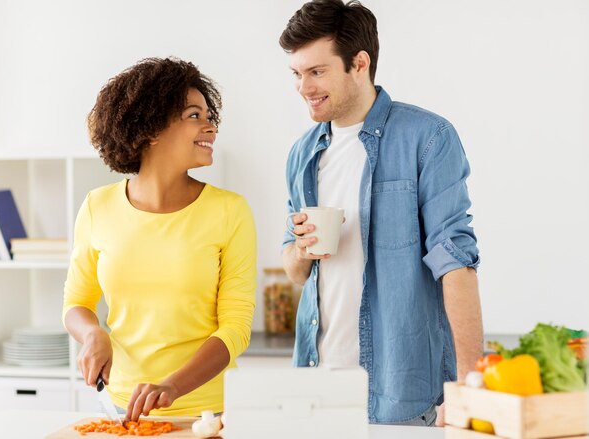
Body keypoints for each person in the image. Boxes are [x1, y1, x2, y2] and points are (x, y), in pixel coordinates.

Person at [279, 0, 483, 426]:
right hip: (317, 388)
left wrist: (469, 385)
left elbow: (455, 262)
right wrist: (300, 250)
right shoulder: (303, 154)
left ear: (359, 63)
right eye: (297, 74)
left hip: (403, 393)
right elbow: (296, 273)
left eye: (317, 72)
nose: (303, 87)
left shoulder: (427, 138)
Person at [63, 57, 256, 421]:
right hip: (120, 410)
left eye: (209, 116)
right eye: (194, 115)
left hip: (208, 414)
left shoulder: (229, 211)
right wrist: (92, 335)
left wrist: (172, 386)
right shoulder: (97, 206)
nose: (210, 127)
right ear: (150, 128)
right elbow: (76, 302)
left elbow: (236, 328)